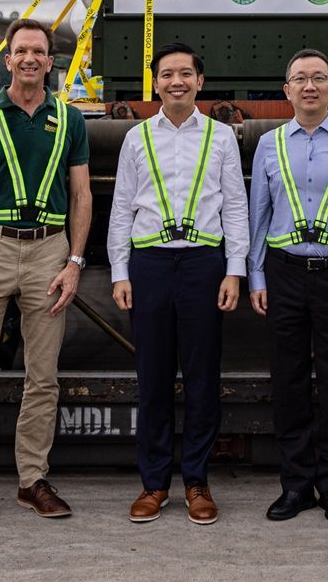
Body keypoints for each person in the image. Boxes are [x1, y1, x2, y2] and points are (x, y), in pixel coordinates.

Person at [0, 17, 91, 529]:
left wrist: (74, 263)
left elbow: (81, 196)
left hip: (48, 250)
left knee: (42, 378)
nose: (29, 59)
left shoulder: (70, 120)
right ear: (8, 60)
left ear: (51, 62)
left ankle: (32, 480)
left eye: (38, 52)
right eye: (20, 51)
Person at [107, 43, 249, 526]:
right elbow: (122, 206)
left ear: (200, 81)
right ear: (156, 83)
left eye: (185, 73)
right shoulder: (136, 138)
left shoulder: (221, 137)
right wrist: (120, 271)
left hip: (203, 264)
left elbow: (235, 206)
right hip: (149, 264)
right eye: (167, 74)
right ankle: (153, 484)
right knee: (153, 376)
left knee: (203, 375)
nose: (176, 82)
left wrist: (235, 269)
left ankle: (196, 482)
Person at [248, 48, 328, 524]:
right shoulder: (269, 144)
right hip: (283, 275)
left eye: (318, 78)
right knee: (289, 382)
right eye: (299, 79)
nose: (309, 86)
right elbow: (257, 214)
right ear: (286, 90)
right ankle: (297, 484)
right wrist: (256, 275)